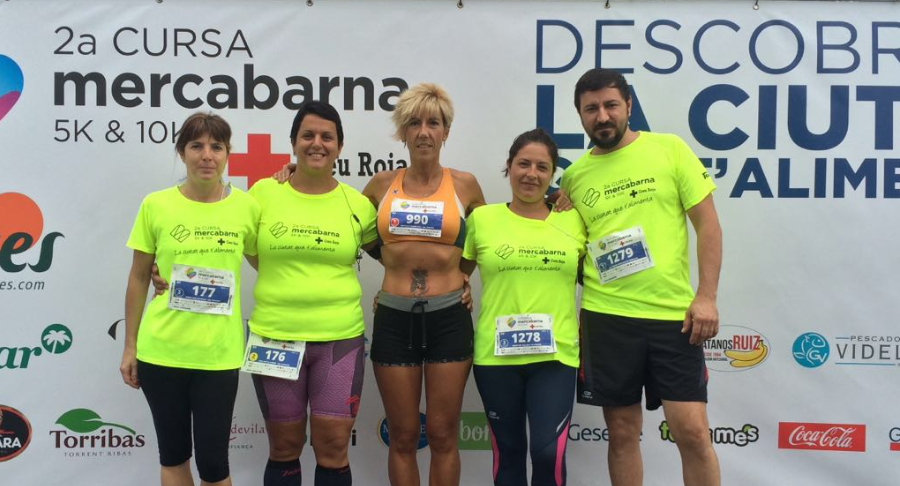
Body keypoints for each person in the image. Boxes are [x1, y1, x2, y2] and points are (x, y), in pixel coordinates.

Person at [152, 101, 377, 486]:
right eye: (307, 135)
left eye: (327, 137)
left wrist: (451, 279)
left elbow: (395, 256)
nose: (317, 143)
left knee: (334, 444)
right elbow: (223, 239)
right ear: (293, 142)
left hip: (339, 340)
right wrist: (165, 271)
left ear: (340, 146)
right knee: (284, 446)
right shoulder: (261, 195)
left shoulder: (357, 205)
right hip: (275, 336)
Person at [560, 68, 723, 486]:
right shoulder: (574, 178)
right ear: (580, 115)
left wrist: (706, 296)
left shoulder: (670, 149)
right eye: (591, 109)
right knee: (621, 433)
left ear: (629, 105)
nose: (602, 116)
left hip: (673, 317)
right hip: (607, 318)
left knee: (692, 433)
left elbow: (708, 224)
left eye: (611, 105)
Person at [120, 112, 260, 486]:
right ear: (182, 153)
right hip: (161, 351)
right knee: (173, 455)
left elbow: (270, 264)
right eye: (196, 146)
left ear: (228, 153)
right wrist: (130, 346)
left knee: (214, 465)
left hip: (218, 355)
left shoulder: (247, 207)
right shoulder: (156, 205)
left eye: (216, 146)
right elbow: (138, 277)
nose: (207, 155)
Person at [362, 82, 486, 486]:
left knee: (443, 434)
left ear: (446, 131)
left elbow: (489, 237)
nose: (424, 132)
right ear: (402, 132)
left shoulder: (465, 185)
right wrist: (292, 173)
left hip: (449, 318)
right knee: (402, 436)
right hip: (394, 319)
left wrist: (463, 273)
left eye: (433, 123)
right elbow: (348, 226)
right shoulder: (381, 185)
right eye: (414, 123)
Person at [460, 128, 586, 486]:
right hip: (496, 358)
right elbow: (455, 273)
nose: (532, 174)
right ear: (509, 166)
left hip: (556, 358)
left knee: (547, 454)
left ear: (552, 174)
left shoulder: (574, 220)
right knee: (509, 452)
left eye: (542, 167)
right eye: (524, 164)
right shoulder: (482, 220)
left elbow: (595, 277)